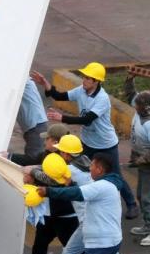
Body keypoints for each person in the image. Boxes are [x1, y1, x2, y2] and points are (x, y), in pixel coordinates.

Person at [31, 63, 139, 218]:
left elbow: (87, 119)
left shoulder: (102, 99)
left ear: (96, 81)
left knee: (115, 175)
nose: (84, 80)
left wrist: (62, 118)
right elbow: (59, 96)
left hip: (106, 144)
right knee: (76, 168)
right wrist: (46, 84)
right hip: (88, 143)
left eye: (88, 78)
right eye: (84, 77)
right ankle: (77, 199)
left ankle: (131, 204)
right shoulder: (81, 90)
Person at [41, 135, 135, 254]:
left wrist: (31, 174)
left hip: (89, 222)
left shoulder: (71, 170)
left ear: (67, 155)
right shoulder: (88, 164)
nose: (58, 153)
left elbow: (48, 176)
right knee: (110, 251)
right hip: (108, 225)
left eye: (60, 151)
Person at [20, 151, 79, 254]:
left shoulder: (71, 170)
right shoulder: (66, 164)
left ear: (66, 153)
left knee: (74, 252)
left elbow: (51, 181)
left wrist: (32, 171)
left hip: (65, 217)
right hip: (52, 214)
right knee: (40, 243)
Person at [124, 76, 150, 246]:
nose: (134, 105)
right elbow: (131, 95)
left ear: (145, 107)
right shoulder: (141, 111)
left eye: (138, 104)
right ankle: (149, 226)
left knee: (148, 198)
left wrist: (142, 159)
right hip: (143, 161)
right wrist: (129, 81)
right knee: (141, 195)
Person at [10, 77, 49, 165]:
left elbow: (32, 159)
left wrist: (9, 156)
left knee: (32, 160)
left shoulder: (20, 79)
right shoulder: (22, 79)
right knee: (34, 157)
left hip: (36, 124)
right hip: (34, 124)